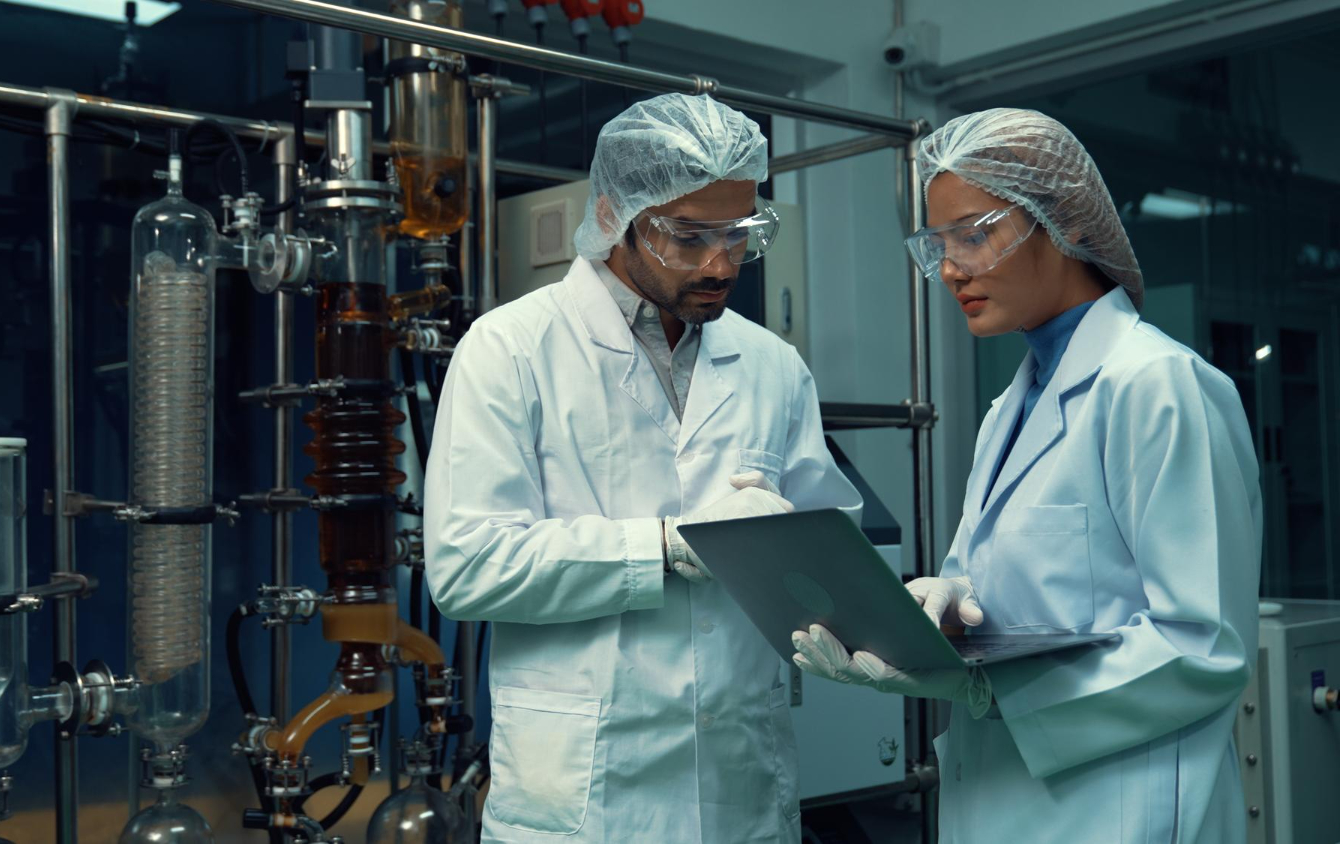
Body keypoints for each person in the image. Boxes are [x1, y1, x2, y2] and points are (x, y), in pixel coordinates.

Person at [791, 108, 1261, 843]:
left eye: (974, 236)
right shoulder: (1011, 404)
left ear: (1061, 218)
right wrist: (939, 614)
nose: (949, 269)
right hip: (1005, 798)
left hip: (1119, 806)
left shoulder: (1155, 384)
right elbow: (1005, 592)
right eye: (937, 245)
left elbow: (1202, 645)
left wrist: (987, 687)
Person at [424, 93, 862, 844]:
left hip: (739, 784)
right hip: (586, 796)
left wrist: (885, 611)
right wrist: (668, 544)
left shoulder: (771, 366)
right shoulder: (511, 350)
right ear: (612, 216)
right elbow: (469, 567)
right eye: (689, 238)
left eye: (741, 235)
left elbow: (826, 544)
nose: (722, 264)